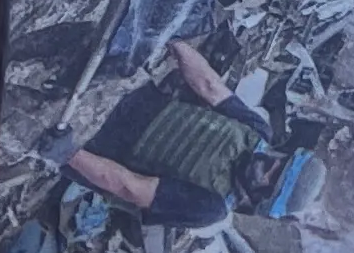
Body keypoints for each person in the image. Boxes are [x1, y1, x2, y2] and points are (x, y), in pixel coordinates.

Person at [61, 39, 274, 226]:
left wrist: (68, 153)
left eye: (272, 177)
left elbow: (129, 186)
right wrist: (176, 41)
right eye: (278, 163)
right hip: (132, 92)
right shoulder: (258, 133)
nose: (268, 167)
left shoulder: (211, 207)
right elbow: (209, 85)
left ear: (261, 197)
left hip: (93, 142)